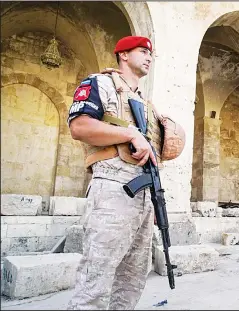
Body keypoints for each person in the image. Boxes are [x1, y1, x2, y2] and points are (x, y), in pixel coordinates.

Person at [67, 36, 159, 310]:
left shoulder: (145, 102)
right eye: (142, 51)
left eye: (150, 54)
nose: (149, 57)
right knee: (96, 278)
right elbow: (79, 127)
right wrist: (129, 133)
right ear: (124, 55)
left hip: (143, 193)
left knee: (132, 280)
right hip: (112, 188)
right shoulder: (99, 83)